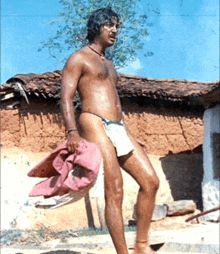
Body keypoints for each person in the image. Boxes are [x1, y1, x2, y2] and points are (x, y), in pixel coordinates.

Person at [61, 7, 159, 254]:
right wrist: (72, 131)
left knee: (151, 181)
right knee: (114, 190)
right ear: (97, 27)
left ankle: (141, 245)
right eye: (110, 25)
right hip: (93, 122)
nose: (115, 30)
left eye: (117, 26)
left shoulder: (110, 65)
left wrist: (130, 136)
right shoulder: (78, 58)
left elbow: (115, 104)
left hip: (118, 126)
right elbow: (65, 97)